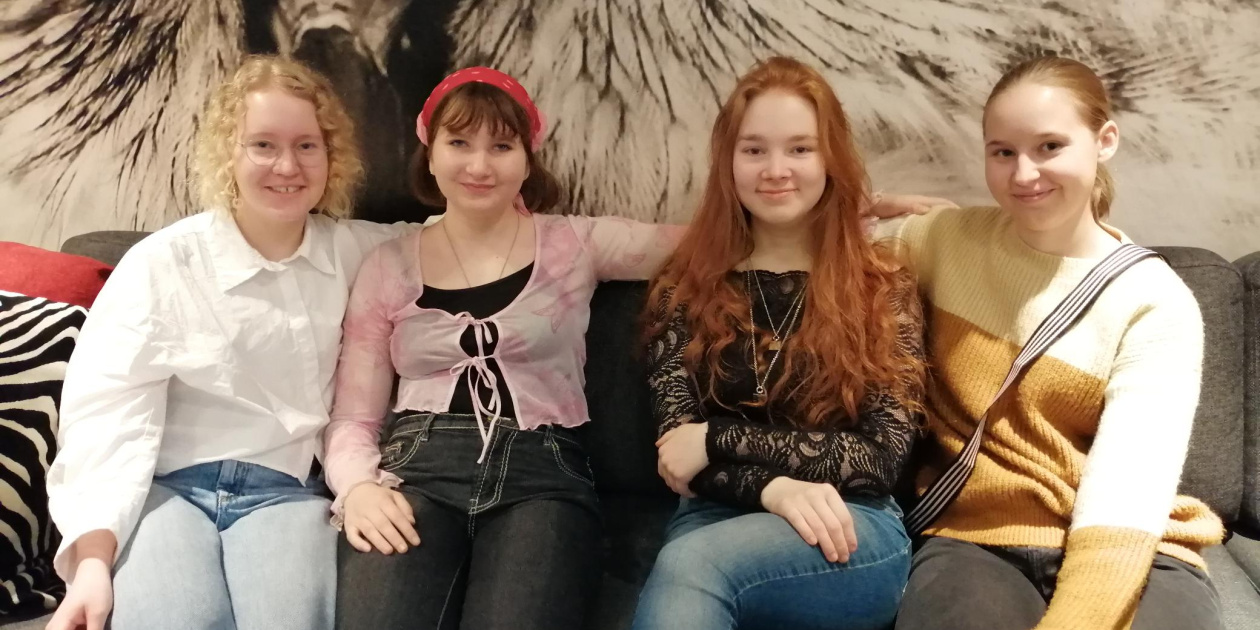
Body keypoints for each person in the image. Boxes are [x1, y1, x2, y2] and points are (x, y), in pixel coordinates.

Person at [324, 66, 950, 630]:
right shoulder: (388, 263)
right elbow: (678, 447)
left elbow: (730, 229)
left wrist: (855, 210)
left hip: (544, 476)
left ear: (528, 156)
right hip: (418, 469)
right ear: (428, 152)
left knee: (679, 567)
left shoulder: (575, 243)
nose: (480, 164)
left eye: (502, 145)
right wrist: (356, 487)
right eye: (458, 143)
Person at [44, 55, 410, 630]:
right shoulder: (161, 264)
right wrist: (92, 561)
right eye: (262, 144)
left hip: (287, 495)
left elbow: (452, 240)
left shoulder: (357, 251)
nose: (286, 165)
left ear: (331, 155)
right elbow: (106, 415)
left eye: (307, 146)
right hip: (168, 495)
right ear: (228, 154)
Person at [879, 56, 1225, 630]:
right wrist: (871, 196)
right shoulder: (944, 241)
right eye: (1003, 152)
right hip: (975, 540)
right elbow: (808, 243)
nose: (1023, 175)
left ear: (1104, 140)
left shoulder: (1156, 302)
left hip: (1137, 544)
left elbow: (1126, 494)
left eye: (1049, 147)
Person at [629, 56, 927, 630]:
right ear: (729, 163)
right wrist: (776, 490)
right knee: (694, 559)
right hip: (712, 516)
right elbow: (677, 457)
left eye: (799, 148)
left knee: (693, 566)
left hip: (851, 524)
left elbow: (881, 459)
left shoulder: (882, 285)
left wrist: (717, 436)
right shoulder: (683, 285)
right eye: (754, 149)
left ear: (830, 159)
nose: (776, 169)